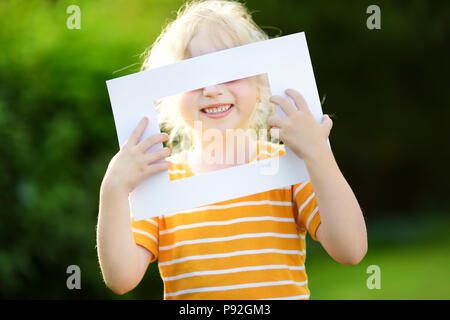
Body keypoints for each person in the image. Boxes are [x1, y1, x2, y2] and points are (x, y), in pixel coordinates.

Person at [96, 0, 367, 300]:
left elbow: (351, 249)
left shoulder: (286, 165)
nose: (212, 89)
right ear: (172, 95)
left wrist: (318, 153)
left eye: (229, 72)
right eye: (192, 76)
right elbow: (120, 278)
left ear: (259, 85)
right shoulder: (159, 180)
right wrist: (113, 189)